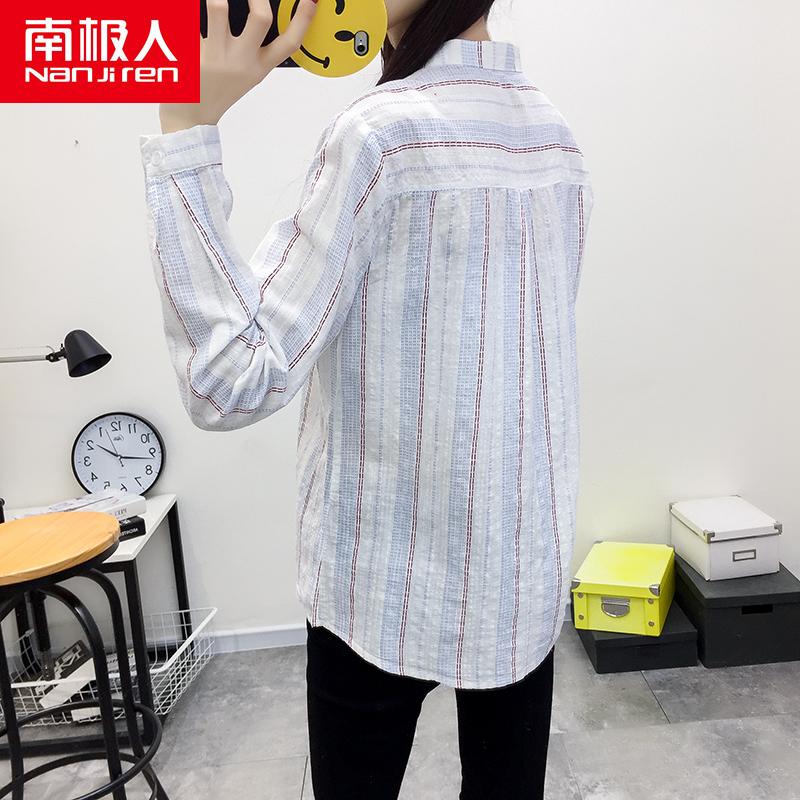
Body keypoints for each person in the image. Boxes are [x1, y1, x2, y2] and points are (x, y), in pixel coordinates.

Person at [139, 0, 594, 797]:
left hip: (382, 577)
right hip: (519, 569)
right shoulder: (556, 136)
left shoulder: (380, 137)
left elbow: (229, 381)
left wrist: (185, 125)